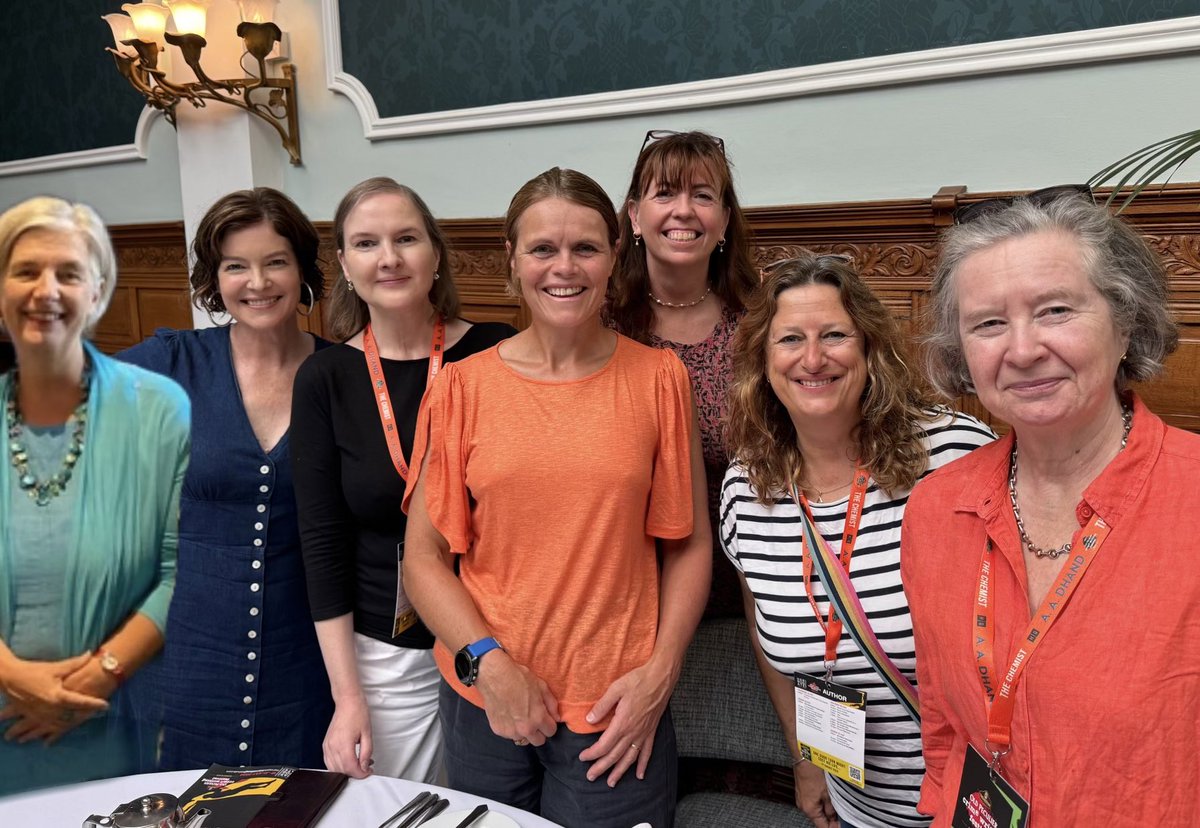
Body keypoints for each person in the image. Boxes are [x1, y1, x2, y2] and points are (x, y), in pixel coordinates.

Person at [402, 167, 710, 828]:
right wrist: (489, 667)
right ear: (512, 261)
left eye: (585, 248)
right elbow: (423, 559)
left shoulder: (660, 379)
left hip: (616, 707)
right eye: (542, 249)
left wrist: (660, 675)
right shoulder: (461, 387)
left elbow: (687, 546)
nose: (563, 267)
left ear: (614, 258)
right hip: (484, 697)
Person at [903, 189, 1197, 826]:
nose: (1023, 349)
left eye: (1055, 310)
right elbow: (944, 726)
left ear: (1125, 321)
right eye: (988, 323)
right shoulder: (935, 509)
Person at [720, 252, 993, 828]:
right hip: (858, 808)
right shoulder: (748, 487)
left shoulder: (953, 457)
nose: (813, 358)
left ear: (870, 349)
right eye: (790, 338)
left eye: (835, 335)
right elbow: (761, 623)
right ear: (762, 362)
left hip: (977, 802)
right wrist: (806, 759)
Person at [291, 177, 514, 783]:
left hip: (504, 642)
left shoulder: (500, 354)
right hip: (389, 656)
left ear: (436, 253)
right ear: (344, 263)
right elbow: (321, 544)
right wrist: (348, 697)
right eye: (366, 243)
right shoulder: (325, 379)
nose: (388, 258)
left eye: (406, 238)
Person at [118, 187, 333, 769]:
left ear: (303, 270)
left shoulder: (344, 373)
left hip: (306, 662)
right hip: (182, 659)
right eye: (236, 266)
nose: (257, 283)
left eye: (275, 262)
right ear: (215, 279)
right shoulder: (169, 363)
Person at [0, 196, 189, 794]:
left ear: (99, 289)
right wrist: (13, 678)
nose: (46, 290)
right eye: (26, 271)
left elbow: (179, 569)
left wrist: (92, 683)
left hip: (115, 723)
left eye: (69, 273)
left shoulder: (159, 409)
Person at [608, 130, 759, 617]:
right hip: (626, 594)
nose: (684, 210)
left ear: (724, 222)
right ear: (634, 215)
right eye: (665, 192)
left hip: (749, 594)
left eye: (703, 195)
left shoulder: (761, 325)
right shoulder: (599, 325)